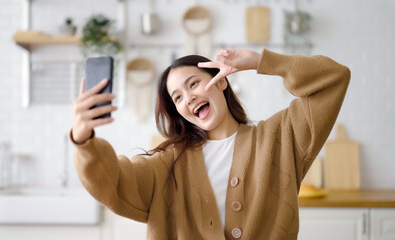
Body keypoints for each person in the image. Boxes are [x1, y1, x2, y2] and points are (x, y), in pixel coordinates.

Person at [70, 49, 350, 239]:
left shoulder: (279, 138)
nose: (188, 98)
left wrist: (260, 61)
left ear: (221, 82)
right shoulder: (167, 163)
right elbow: (114, 181)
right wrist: (83, 140)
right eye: (177, 97)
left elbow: (333, 79)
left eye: (193, 84)